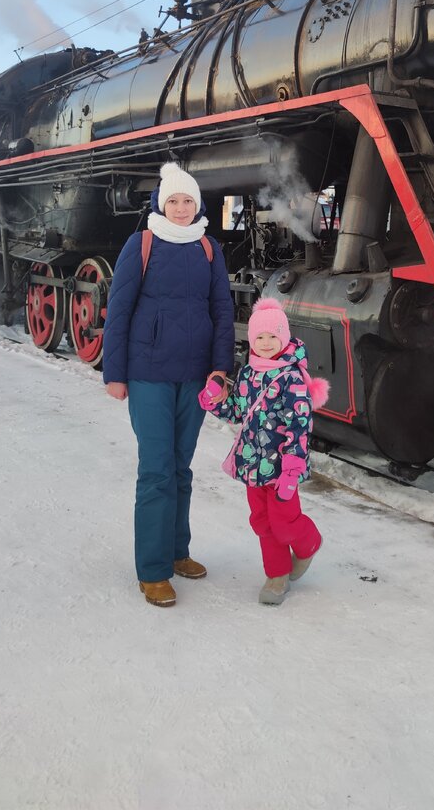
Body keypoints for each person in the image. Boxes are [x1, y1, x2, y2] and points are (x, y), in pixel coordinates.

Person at [103, 162, 234, 608]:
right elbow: (118, 310)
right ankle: (153, 571)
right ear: (162, 205)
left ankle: (178, 551)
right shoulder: (141, 244)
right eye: (173, 201)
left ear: (198, 206)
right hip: (148, 375)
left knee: (181, 467)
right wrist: (115, 374)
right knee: (157, 469)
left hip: (194, 375)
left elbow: (223, 313)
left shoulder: (209, 248)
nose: (181, 209)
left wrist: (221, 370)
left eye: (188, 201)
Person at [201, 297, 327, 606]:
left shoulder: (292, 378)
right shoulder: (248, 374)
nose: (266, 342)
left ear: (283, 337)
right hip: (252, 463)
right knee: (262, 520)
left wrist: (293, 468)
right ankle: (277, 575)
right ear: (252, 339)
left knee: (284, 521)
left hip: (283, 467)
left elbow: (299, 424)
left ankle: (308, 542)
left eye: (273, 336)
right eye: (260, 336)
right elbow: (237, 413)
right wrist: (214, 401)